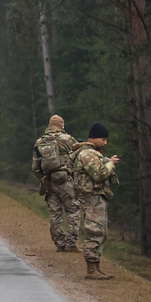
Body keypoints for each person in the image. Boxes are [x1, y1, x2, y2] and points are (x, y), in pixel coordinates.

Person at [72, 121, 120, 280]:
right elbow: (99, 174)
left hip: (96, 197)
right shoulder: (87, 154)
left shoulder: (92, 153)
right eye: (103, 139)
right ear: (94, 137)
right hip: (91, 198)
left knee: (100, 232)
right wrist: (111, 165)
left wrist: (107, 161)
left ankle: (96, 268)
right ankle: (92, 269)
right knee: (94, 231)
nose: (105, 143)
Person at [32, 115, 81, 253]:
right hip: (66, 180)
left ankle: (59, 243)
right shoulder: (68, 139)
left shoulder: (39, 142)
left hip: (49, 182)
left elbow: (35, 167)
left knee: (55, 213)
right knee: (73, 210)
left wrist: (43, 178)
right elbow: (79, 159)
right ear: (61, 125)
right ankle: (71, 243)